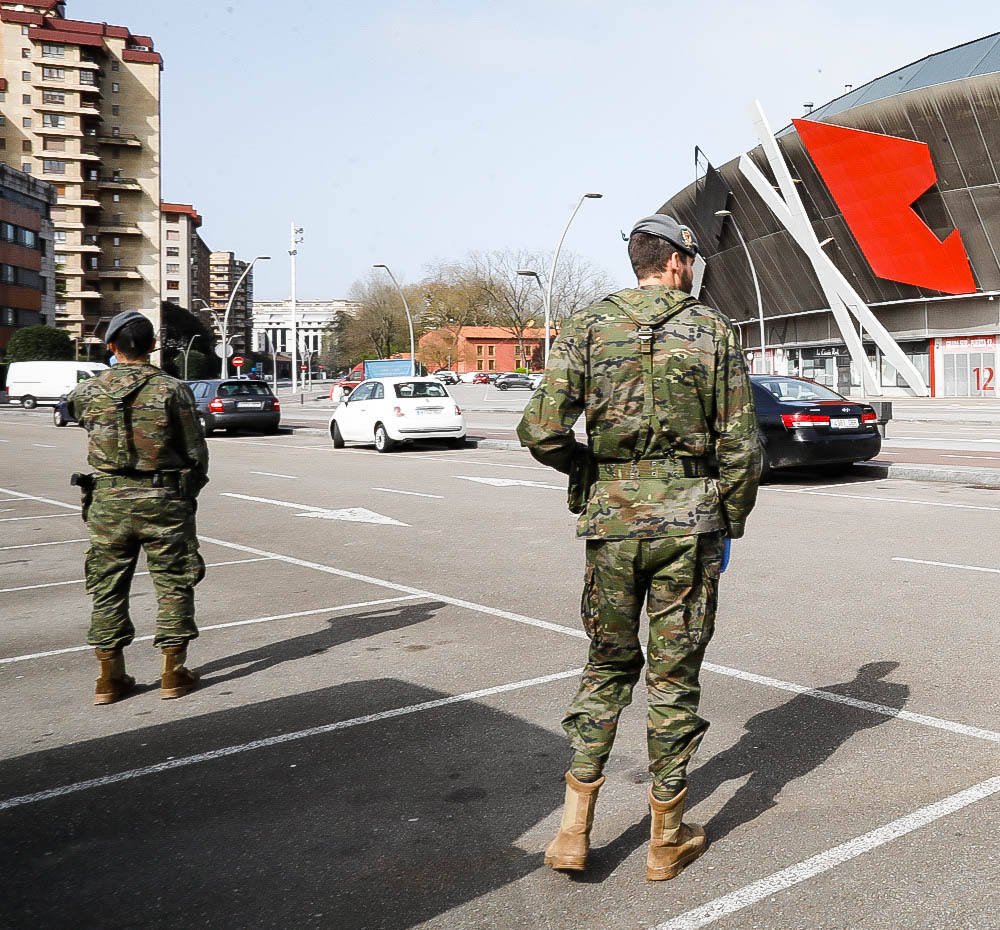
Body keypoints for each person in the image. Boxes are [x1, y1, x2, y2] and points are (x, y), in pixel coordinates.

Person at [517, 214, 760, 881]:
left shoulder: (586, 326)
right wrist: (727, 520)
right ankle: (666, 837)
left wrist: (586, 474)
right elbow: (742, 446)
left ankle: (572, 830)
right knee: (674, 679)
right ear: (678, 262)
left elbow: (539, 428)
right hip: (689, 528)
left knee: (606, 667)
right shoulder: (712, 331)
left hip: (613, 525)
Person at [68, 310, 209, 705]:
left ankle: (109, 678)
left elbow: (75, 414)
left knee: (107, 585)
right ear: (151, 347)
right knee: (173, 581)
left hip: (108, 502)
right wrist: (185, 493)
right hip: (164, 499)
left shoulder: (89, 390)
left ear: (112, 347)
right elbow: (196, 453)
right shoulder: (171, 389)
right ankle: (172, 672)